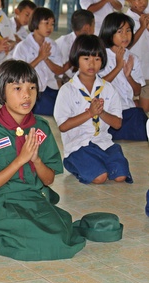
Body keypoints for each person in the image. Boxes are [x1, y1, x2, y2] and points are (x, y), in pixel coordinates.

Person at [0, 59, 86, 261]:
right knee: (40, 240)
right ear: (1, 91)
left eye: (32, 88)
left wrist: (36, 160)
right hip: (2, 202)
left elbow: (49, 180)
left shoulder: (40, 128)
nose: (27, 95)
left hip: (34, 198)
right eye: (17, 88)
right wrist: (19, 160)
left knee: (58, 234)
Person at [54, 35, 133, 184]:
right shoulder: (67, 90)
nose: (92, 64)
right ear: (76, 59)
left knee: (120, 176)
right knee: (100, 177)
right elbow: (63, 126)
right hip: (78, 146)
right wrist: (89, 113)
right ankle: (73, 163)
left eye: (97, 59)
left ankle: (98, 162)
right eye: (86, 59)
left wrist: (100, 112)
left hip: (103, 142)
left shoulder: (108, 89)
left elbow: (117, 124)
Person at [98, 12, 148, 141]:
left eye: (128, 31)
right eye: (120, 32)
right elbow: (98, 86)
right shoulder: (101, 56)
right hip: (108, 112)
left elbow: (137, 91)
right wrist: (118, 67)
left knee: (139, 115)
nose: (125, 35)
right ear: (110, 33)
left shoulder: (133, 58)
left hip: (128, 110)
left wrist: (128, 76)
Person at [13, 7, 63, 116]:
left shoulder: (52, 45)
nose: (50, 27)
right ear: (35, 23)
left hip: (50, 89)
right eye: (46, 23)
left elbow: (59, 70)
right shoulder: (23, 46)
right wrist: (40, 57)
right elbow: (18, 73)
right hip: (31, 92)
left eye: (52, 24)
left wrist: (46, 58)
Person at [55, 9, 95, 83]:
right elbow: (60, 74)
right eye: (93, 25)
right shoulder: (64, 42)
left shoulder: (92, 41)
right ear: (87, 27)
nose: (94, 29)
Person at [126, 0, 149, 112]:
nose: (142, 2)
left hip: (147, 70)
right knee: (140, 107)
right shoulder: (126, 20)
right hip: (133, 71)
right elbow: (127, 44)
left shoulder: (147, 17)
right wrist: (142, 27)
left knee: (145, 107)